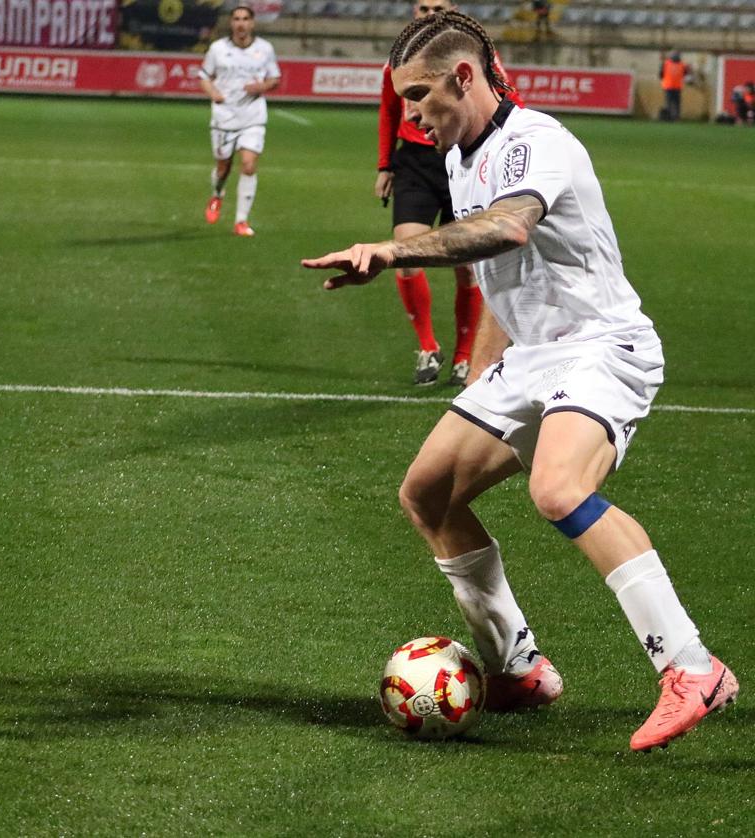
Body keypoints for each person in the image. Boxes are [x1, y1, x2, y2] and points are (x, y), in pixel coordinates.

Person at [303, 11, 738, 751]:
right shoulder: (457, 157)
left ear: (462, 78)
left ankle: (693, 668)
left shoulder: (535, 143)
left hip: (604, 347)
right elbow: (506, 276)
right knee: (426, 494)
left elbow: (508, 230)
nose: (409, 114)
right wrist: (482, 366)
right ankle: (518, 669)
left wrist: (391, 250)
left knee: (558, 489)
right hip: (531, 357)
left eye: (417, 96)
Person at [376, 0, 520, 387]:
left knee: (468, 264)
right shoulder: (401, 59)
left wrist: (510, 148)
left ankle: (463, 354)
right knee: (405, 250)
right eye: (422, 7)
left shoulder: (471, 54)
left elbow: (509, 100)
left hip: (462, 156)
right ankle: (427, 346)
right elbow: (389, 112)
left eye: (436, 6)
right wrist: (384, 165)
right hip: (415, 165)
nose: (428, 12)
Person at [199, 5, 281, 238]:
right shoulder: (218, 49)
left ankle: (241, 221)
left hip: (253, 117)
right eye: (236, 19)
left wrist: (261, 86)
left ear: (252, 23)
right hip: (224, 117)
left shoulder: (265, 49)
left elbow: (275, 78)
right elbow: (204, 77)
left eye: (245, 19)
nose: (241, 23)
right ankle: (217, 194)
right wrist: (213, 93)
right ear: (231, 23)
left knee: (248, 165)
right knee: (223, 167)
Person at [659, 51, 688, 122]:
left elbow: (660, 74)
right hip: (674, 87)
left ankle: (670, 117)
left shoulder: (666, 63)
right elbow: (685, 74)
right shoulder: (682, 64)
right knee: (676, 103)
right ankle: (675, 117)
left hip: (670, 86)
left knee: (670, 103)